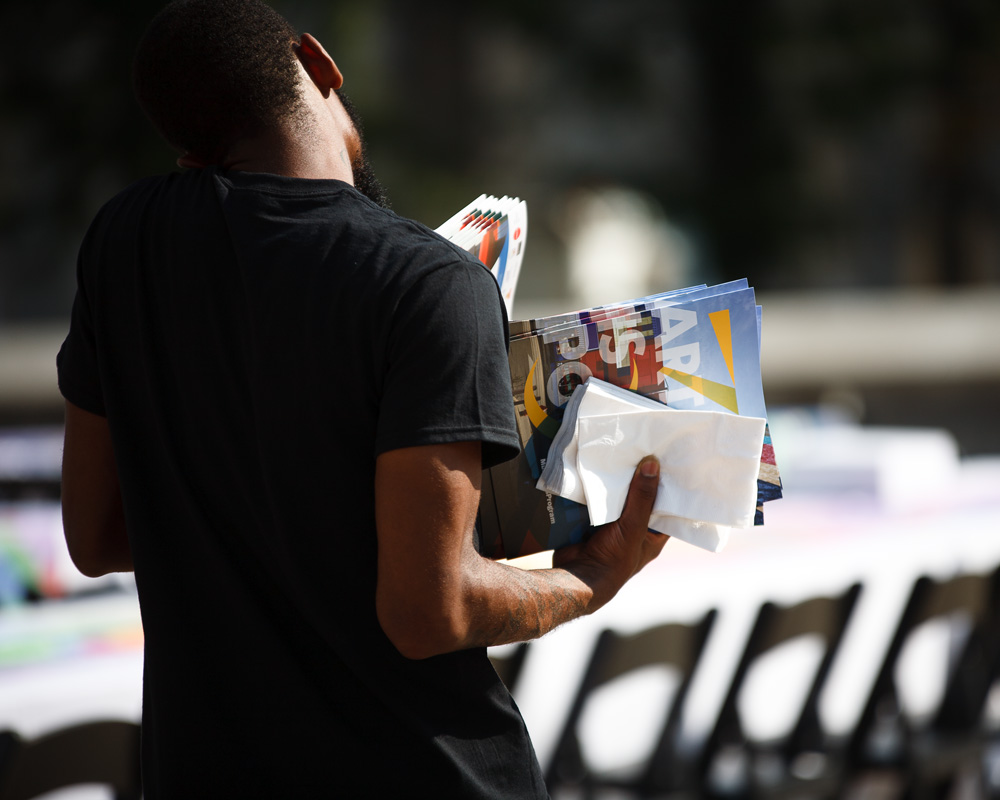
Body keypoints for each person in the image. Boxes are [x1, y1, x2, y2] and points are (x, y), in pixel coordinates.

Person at [57, 0, 669, 796]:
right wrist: (590, 581)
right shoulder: (428, 283)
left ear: (189, 151)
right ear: (319, 63)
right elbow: (428, 612)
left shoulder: (124, 245)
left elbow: (97, 535)